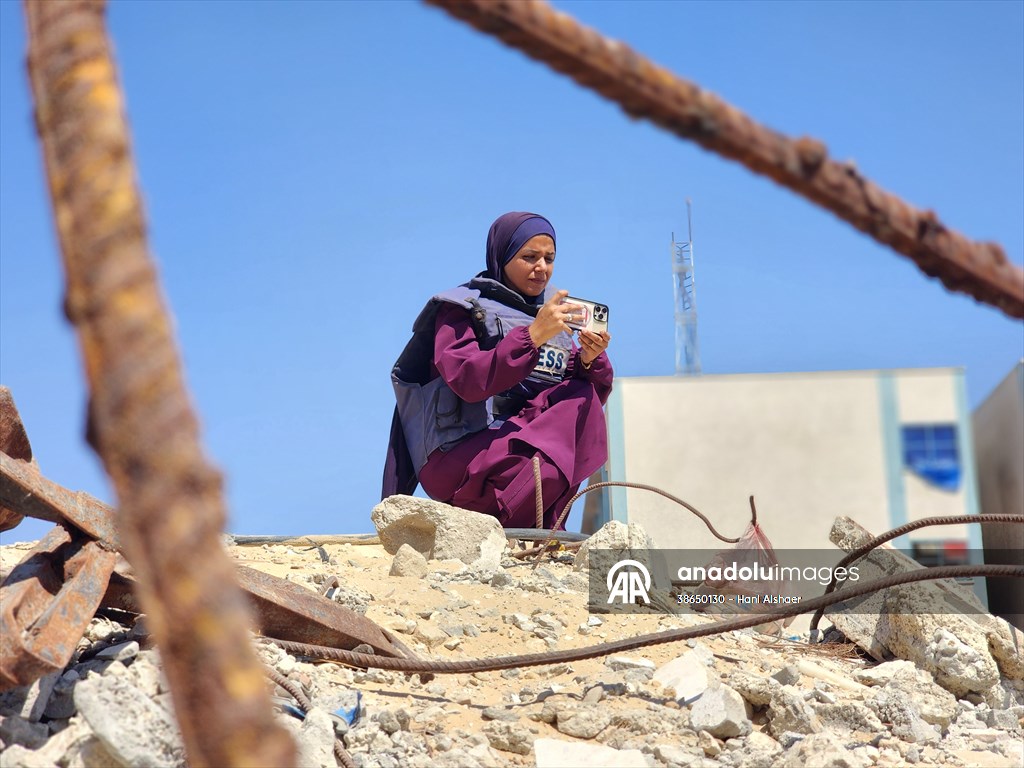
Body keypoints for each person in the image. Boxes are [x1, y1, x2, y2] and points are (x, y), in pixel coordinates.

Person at [382, 211, 613, 529]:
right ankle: (510, 526)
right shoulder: (461, 309)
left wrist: (589, 359)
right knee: (556, 432)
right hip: (461, 454)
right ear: (501, 256)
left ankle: (541, 528)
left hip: (518, 449)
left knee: (580, 400)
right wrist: (531, 337)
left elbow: (579, 402)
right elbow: (467, 380)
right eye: (529, 257)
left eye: (549, 258)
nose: (541, 268)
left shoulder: (553, 321)